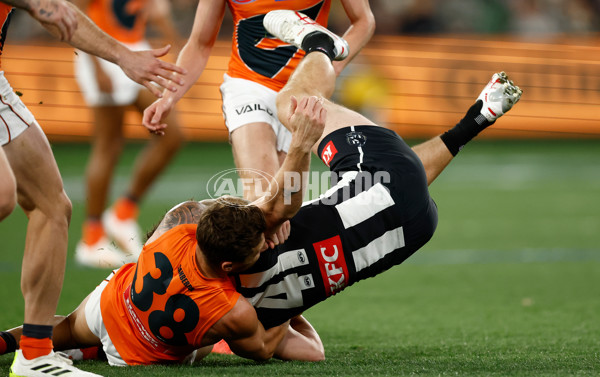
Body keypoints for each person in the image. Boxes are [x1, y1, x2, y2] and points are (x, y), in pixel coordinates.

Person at [0, 10, 522, 367]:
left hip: (414, 228)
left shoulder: (234, 307)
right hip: (121, 307)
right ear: (228, 260)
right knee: (295, 108)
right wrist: (297, 148)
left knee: (375, 166)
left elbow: (301, 349)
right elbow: (271, 206)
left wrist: (296, 303)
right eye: (263, 234)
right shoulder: (191, 253)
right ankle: (318, 46)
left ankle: (457, 111)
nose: (270, 235)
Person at [0, 0, 187, 375]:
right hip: (102, 61)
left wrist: (127, 56)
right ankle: (97, 231)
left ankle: (35, 354)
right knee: (5, 195)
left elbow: (61, 13)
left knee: (52, 205)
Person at [143, 0, 375, 201]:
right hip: (247, 86)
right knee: (262, 196)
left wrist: (327, 67)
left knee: (285, 210)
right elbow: (200, 43)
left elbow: (363, 21)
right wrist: (169, 97)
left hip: (302, 91)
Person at [72, 0, 186, 268]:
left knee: (173, 134)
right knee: (108, 146)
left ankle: (123, 213)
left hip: (137, 50)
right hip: (104, 52)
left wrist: (178, 45)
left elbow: (155, 10)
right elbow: (76, 12)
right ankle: (91, 238)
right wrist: (96, 66)